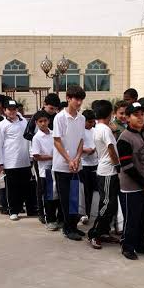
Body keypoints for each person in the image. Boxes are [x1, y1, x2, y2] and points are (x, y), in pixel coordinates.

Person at [117, 102, 144, 260]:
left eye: (142, 114)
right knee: (132, 219)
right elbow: (127, 166)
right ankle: (127, 246)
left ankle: (143, 245)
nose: (140, 117)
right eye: (136, 115)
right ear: (128, 118)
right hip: (131, 187)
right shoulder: (124, 138)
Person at [52, 85, 87, 241]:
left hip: (76, 164)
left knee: (74, 198)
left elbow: (81, 141)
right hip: (62, 165)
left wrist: (77, 158)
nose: (79, 102)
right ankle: (67, 228)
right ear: (68, 98)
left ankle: (73, 226)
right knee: (65, 198)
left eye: (81, 100)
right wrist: (69, 160)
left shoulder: (82, 118)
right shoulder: (59, 117)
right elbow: (57, 141)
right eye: (76, 99)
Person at [87, 100, 121, 249]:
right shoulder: (105, 130)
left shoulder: (98, 128)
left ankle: (104, 232)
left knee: (110, 204)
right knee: (107, 204)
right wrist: (118, 166)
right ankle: (94, 233)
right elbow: (111, 150)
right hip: (108, 171)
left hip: (106, 170)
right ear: (110, 114)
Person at [0, 99, 35, 221]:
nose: (12, 111)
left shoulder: (24, 122)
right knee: (12, 189)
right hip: (10, 162)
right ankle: (13, 210)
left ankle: (30, 209)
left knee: (26, 187)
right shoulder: (2, 125)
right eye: (9, 109)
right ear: (5, 110)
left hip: (25, 160)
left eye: (14, 109)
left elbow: (29, 140)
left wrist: (31, 155)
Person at [30, 110, 60, 231]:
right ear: (36, 123)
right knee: (49, 196)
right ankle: (50, 220)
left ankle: (59, 219)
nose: (43, 123)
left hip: (57, 167)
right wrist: (53, 157)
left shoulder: (54, 134)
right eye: (40, 121)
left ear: (49, 121)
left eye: (45, 121)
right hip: (46, 169)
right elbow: (36, 156)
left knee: (57, 195)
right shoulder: (37, 138)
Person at [79, 109, 98, 224]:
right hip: (84, 164)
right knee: (85, 190)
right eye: (89, 122)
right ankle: (84, 213)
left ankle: (92, 212)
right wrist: (85, 150)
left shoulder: (95, 131)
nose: (92, 124)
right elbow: (75, 146)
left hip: (95, 163)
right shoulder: (80, 131)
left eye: (93, 122)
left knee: (94, 190)